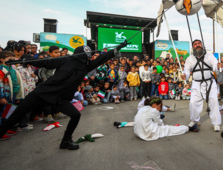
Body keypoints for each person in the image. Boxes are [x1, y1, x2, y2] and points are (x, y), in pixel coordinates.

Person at [0, 41, 128, 150]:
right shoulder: (67, 59)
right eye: (87, 56)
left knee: (75, 115)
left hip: (59, 97)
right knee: (17, 114)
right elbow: (46, 62)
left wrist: (118, 48)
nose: (88, 58)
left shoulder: (86, 66)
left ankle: (65, 141)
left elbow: (102, 58)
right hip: (44, 92)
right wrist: (25, 60)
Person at [181, 39, 221, 132]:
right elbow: (186, 71)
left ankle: (216, 123)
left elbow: (215, 65)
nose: (197, 45)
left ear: (202, 45)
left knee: (214, 101)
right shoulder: (189, 59)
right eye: (195, 44)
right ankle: (194, 120)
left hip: (210, 83)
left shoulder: (209, 55)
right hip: (196, 84)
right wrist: (185, 76)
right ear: (193, 47)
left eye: (199, 43)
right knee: (193, 103)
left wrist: (218, 66)